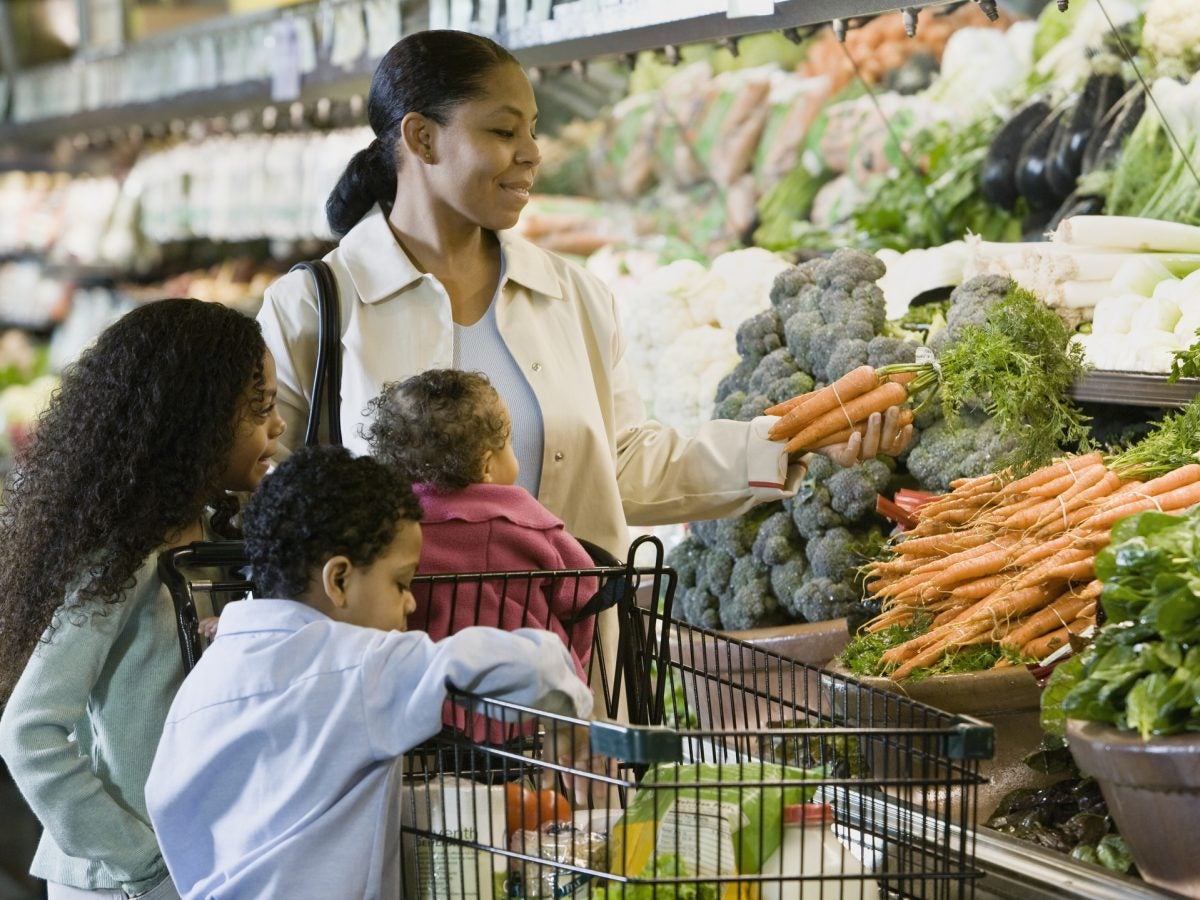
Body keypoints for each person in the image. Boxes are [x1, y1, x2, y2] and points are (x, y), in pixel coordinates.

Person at [256, 29, 911, 564]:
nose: (531, 154)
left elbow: (623, 466)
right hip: (394, 689)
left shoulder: (570, 294)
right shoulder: (313, 307)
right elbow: (270, 504)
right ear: (422, 138)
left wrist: (791, 442)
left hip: (564, 674)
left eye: (533, 131)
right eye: (503, 132)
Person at [144, 445, 593, 900]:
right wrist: (564, 706)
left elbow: (168, 804)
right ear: (338, 580)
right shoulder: (361, 664)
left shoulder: (208, 676)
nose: (412, 602)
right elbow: (529, 663)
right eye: (401, 582)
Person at [0, 299, 287, 900]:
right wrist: (143, 864)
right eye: (260, 408)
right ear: (196, 422)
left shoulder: (219, 537)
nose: (279, 426)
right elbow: (29, 732)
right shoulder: (122, 561)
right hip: (123, 882)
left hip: (198, 866)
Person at [367, 368, 598, 674]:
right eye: (509, 443)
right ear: (487, 465)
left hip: (428, 685)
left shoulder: (390, 528)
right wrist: (574, 662)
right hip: (530, 689)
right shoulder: (526, 521)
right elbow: (584, 590)